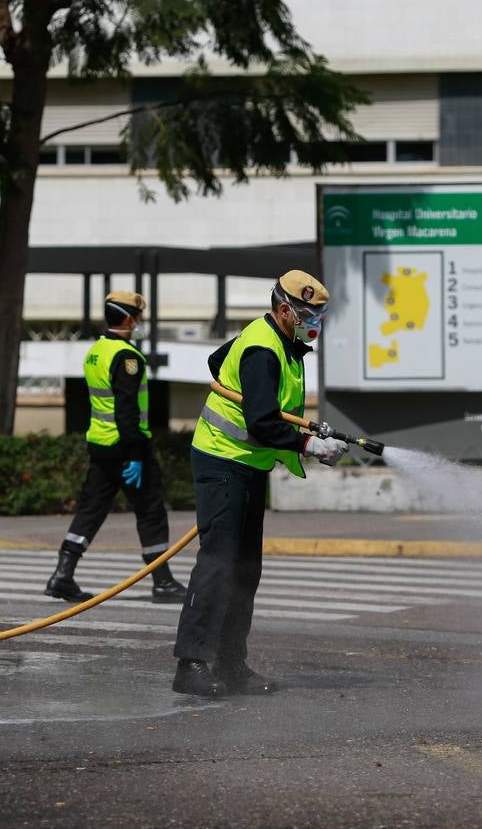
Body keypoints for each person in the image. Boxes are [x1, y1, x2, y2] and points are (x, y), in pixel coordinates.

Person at [171, 270, 348, 698]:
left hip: (248, 465)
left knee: (245, 569)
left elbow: (217, 364)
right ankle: (191, 665)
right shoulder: (263, 350)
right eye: (309, 314)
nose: (316, 323)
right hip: (222, 461)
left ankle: (231, 664)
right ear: (285, 309)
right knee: (218, 563)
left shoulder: (277, 340)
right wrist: (309, 444)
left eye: (320, 315)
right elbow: (263, 422)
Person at [44, 291, 187, 604]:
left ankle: (62, 575)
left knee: (91, 511)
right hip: (128, 448)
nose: (140, 322)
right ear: (127, 318)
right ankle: (162, 582)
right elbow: (126, 410)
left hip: (101, 445)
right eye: (138, 317)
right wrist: (136, 456)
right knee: (150, 513)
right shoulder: (128, 357)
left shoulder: (96, 352)